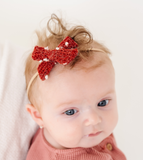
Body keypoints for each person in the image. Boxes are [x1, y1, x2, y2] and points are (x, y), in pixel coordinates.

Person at [24, 13, 127, 160]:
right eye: (71, 112)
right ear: (38, 116)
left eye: (102, 103)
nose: (93, 119)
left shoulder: (62, 132)